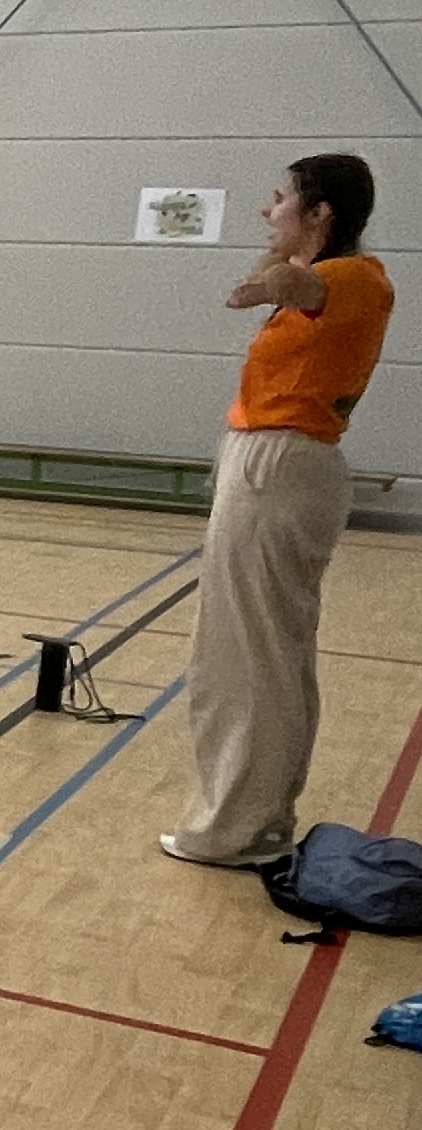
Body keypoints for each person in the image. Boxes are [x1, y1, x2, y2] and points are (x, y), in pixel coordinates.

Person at [162, 152, 393, 870]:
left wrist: (277, 275)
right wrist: (280, 265)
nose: (268, 211)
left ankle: (232, 828)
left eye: (281, 199)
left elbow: (297, 283)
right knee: (267, 650)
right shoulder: (339, 279)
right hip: (274, 462)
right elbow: (282, 281)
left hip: (280, 467)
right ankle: (259, 819)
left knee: (246, 655)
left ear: (320, 213)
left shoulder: (352, 278)